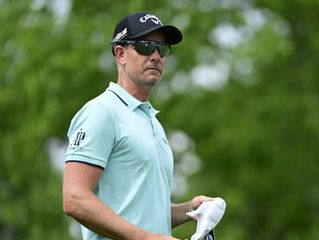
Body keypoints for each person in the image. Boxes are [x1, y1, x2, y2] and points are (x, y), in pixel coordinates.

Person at [63, 11, 214, 240]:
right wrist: (145, 238)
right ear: (120, 53)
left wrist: (191, 209)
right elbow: (74, 198)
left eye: (162, 49)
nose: (156, 56)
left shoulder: (151, 121)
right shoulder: (101, 112)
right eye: (145, 46)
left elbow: (143, 214)